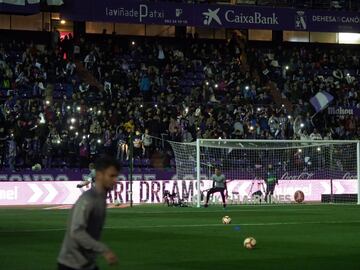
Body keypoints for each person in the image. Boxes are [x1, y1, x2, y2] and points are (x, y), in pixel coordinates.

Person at [58, 156, 120, 270]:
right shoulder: (88, 200)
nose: (115, 180)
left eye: (116, 176)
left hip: (86, 264)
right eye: (111, 176)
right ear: (99, 175)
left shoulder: (100, 199)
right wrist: (104, 249)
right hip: (71, 265)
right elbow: (76, 232)